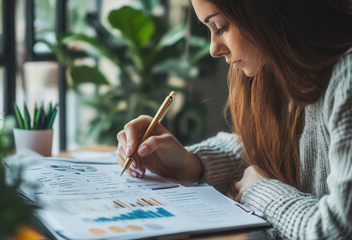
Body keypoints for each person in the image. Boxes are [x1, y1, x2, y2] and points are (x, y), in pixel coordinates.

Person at [116, 0, 352, 239]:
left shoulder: (346, 79)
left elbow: (337, 229)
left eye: (220, 27)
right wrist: (192, 162)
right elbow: (267, 147)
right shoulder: (277, 68)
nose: (214, 49)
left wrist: (257, 189)